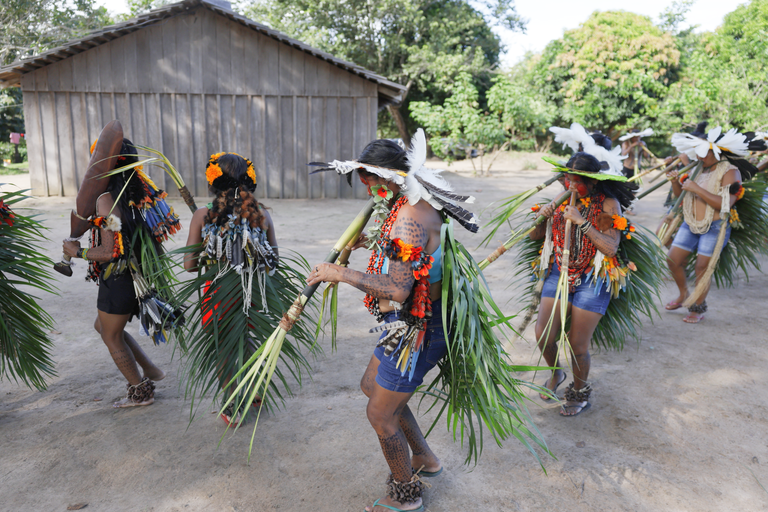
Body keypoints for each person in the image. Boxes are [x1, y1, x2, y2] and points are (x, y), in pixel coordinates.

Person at [307, 130, 541, 512]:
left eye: (372, 182)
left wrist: (339, 272)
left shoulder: (410, 217)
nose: (369, 191)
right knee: (372, 387)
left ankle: (407, 493)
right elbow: (408, 257)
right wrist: (376, 243)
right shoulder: (409, 204)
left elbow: (398, 290)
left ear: (393, 177)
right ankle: (426, 460)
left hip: (417, 330)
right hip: (401, 326)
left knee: (380, 414)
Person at [63, 138, 179, 407]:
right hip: (137, 274)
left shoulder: (105, 200)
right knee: (102, 326)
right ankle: (151, 369)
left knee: (110, 335)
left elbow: (109, 252)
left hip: (119, 278)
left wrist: (75, 252)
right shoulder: (138, 193)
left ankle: (141, 392)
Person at [181, 152, 290, 427]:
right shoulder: (261, 214)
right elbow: (273, 259)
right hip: (254, 292)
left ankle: (234, 405)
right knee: (248, 337)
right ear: (249, 181)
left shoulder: (202, 215)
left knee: (223, 348)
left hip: (218, 294)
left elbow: (190, 266)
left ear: (212, 184)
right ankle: (257, 391)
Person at [530, 152, 640, 416]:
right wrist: (543, 217)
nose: (570, 185)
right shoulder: (560, 200)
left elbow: (611, 248)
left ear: (592, 182)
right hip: (559, 272)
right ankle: (557, 372)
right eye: (567, 178)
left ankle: (578, 391)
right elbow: (534, 235)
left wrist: (582, 221)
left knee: (577, 344)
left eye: (577, 180)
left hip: (594, 277)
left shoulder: (608, 205)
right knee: (543, 334)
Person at [665, 124, 764, 323]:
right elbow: (681, 196)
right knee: (673, 260)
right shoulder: (697, 169)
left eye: (704, 154)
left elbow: (726, 204)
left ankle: (697, 306)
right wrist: (675, 182)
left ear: (716, 152)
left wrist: (696, 189)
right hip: (690, 224)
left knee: (702, 268)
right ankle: (684, 294)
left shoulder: (730, 171)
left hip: (715, 227)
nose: (700, 157)